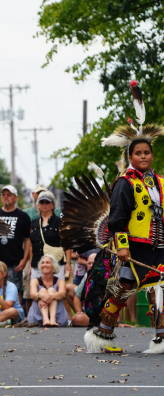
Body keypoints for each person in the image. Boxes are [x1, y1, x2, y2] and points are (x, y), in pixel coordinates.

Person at [84, 82, 164, 353]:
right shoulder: (125, 183)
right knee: (123, 288)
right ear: (130, 156)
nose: (143, 156)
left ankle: (161, 338)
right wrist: (123, 246)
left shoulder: (159, 182)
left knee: (159, 288)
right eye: (138, 153)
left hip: (158, 246)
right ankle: (103, 334)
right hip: (134, 245)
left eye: (147, 152)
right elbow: (118, 217)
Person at [0, 185, 31, 307]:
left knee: (16, 289)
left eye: (9, 195)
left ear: (15, 198)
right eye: (3, 195)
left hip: (14, 261)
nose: (6, 197)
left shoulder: (23, 216)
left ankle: (17, 317)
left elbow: (27, 240)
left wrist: (24, 260)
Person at [28, 255, 68, 327]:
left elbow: (63, 294)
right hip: (38, 314)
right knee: (42, 291)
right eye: (42, 263)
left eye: (47, 262)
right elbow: (32, 294)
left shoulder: (60, 281)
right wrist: (41, 295)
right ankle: (45, 319)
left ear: (53, 266)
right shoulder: (34, 280)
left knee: (51, 290)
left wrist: (50, 296)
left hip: (58, 315)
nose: (44, 264)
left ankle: (52, 320)